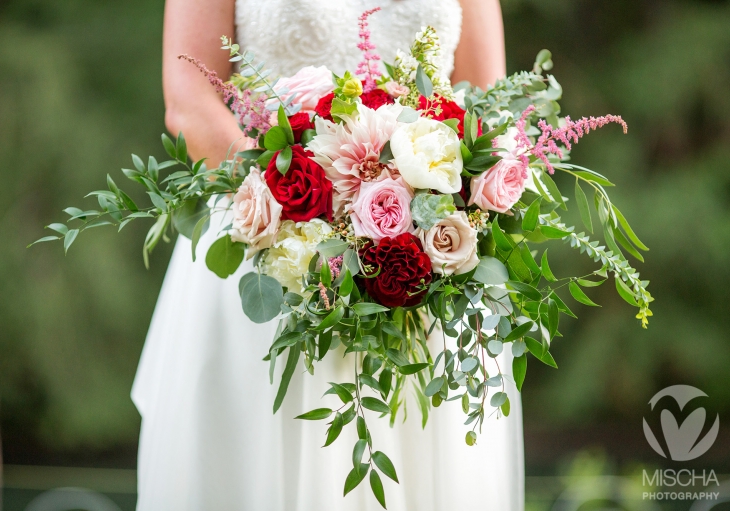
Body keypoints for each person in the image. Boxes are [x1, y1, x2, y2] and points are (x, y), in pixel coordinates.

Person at [131, 1, 524, 509]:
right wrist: (304, 216)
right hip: (268, 257)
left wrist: (408, 221)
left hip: (425, 273)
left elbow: (486, 110)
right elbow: (189, 99)